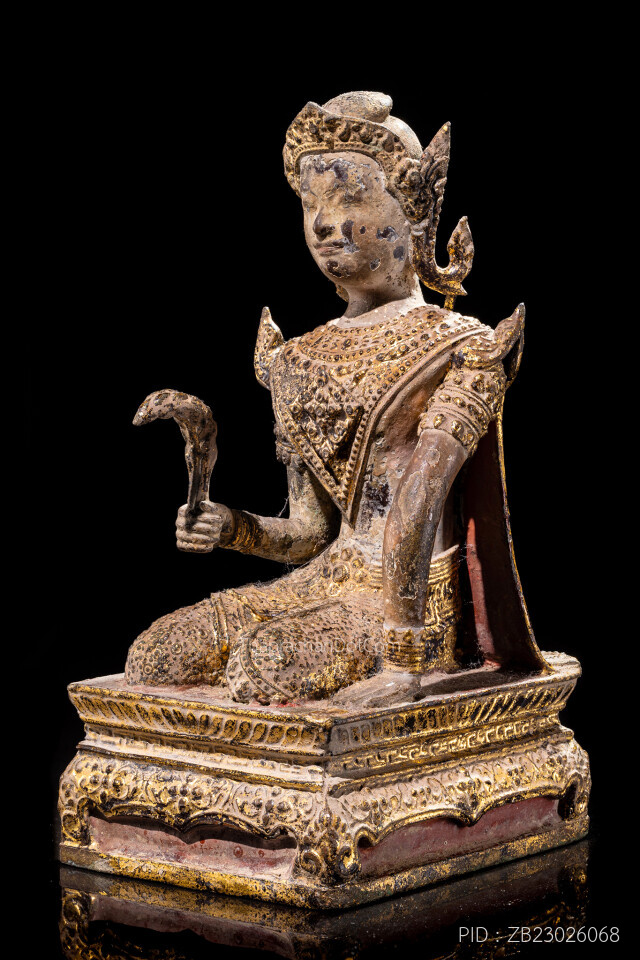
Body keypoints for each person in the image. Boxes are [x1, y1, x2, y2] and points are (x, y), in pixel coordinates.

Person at [125, 91, 548, 708]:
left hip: (412, 606)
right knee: (158, 655)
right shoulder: (298, 358)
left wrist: (402, 666)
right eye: (311, 204)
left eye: (350, 200)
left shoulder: (460, 347)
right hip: (327, 579)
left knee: (262, 666)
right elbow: (310, 532)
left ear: (414, 213)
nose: (324, 224)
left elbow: (419, 500)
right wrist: (233, 527)